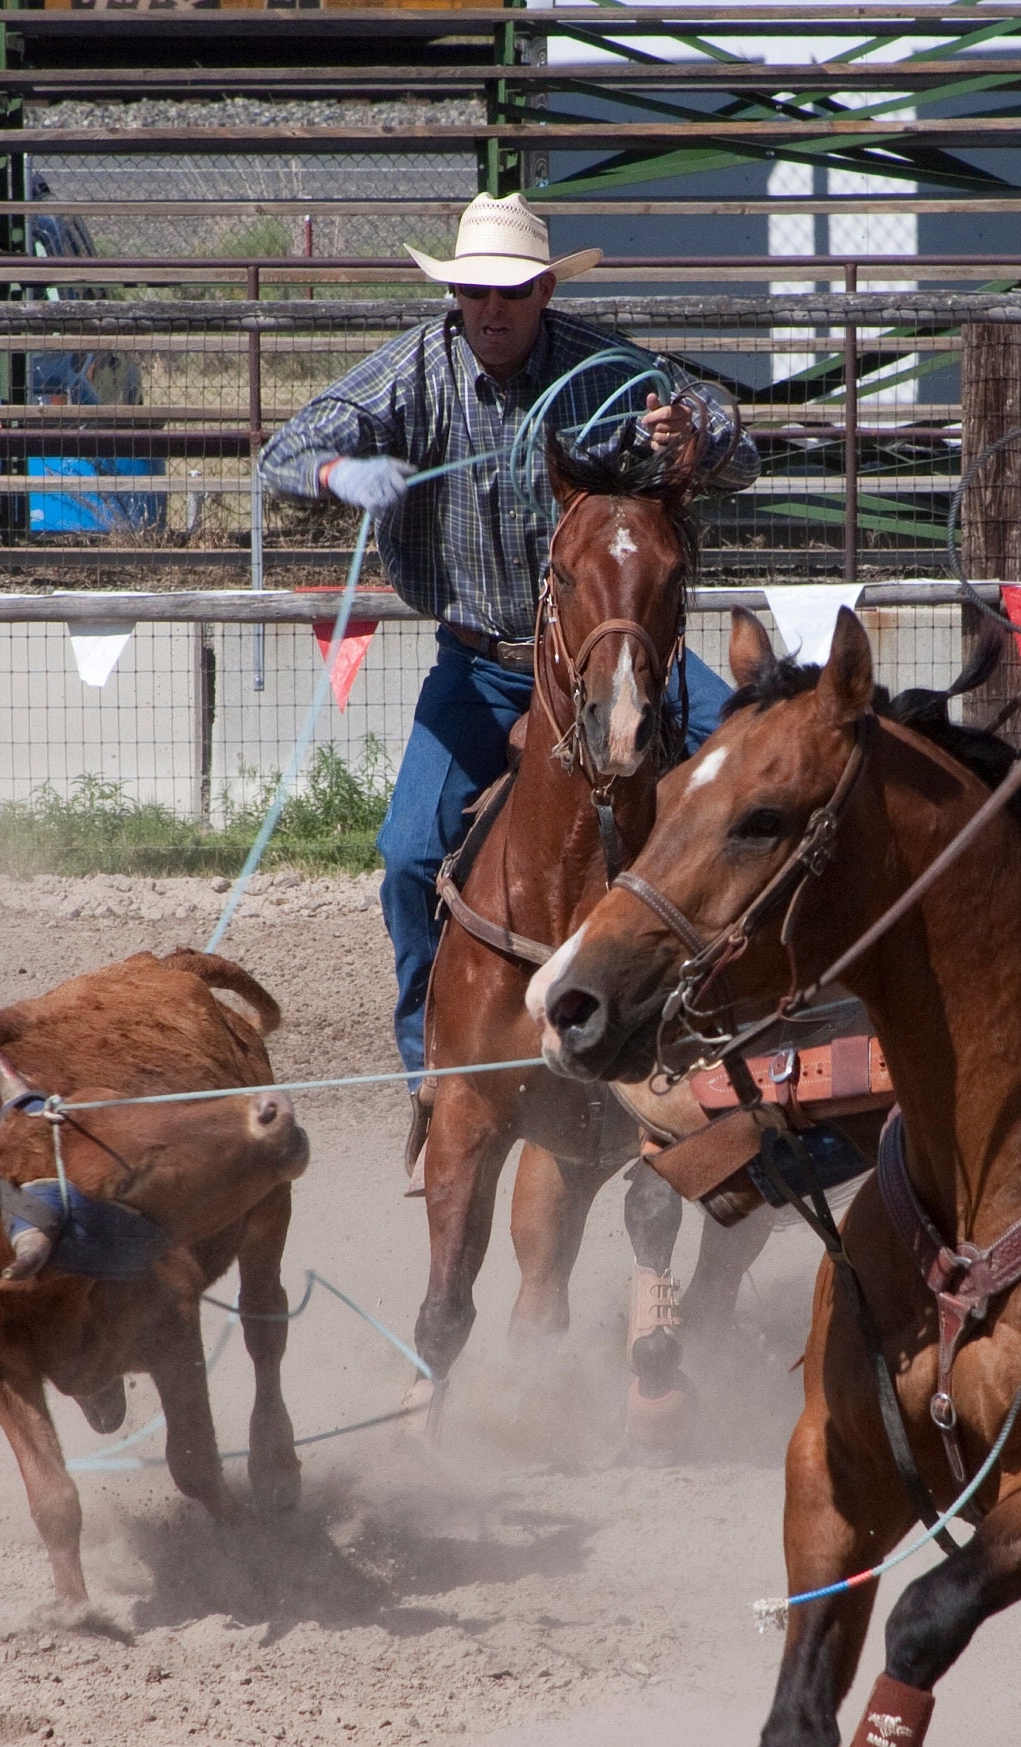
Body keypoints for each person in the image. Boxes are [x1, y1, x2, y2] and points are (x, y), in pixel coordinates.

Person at [258, 193, 758, 1096]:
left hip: (625, 659)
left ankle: (752, 1032)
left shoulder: (604, 370)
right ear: (454, 293)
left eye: (513, 292)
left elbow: (735, 446)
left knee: (759, 782)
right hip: (485, 666)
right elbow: (283, 455)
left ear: (543, 293)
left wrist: (698, 433)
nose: (492, 310)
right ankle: (431, 1072)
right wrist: (340, 470)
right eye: (475, 292)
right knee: (411, 855)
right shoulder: (415, 371)